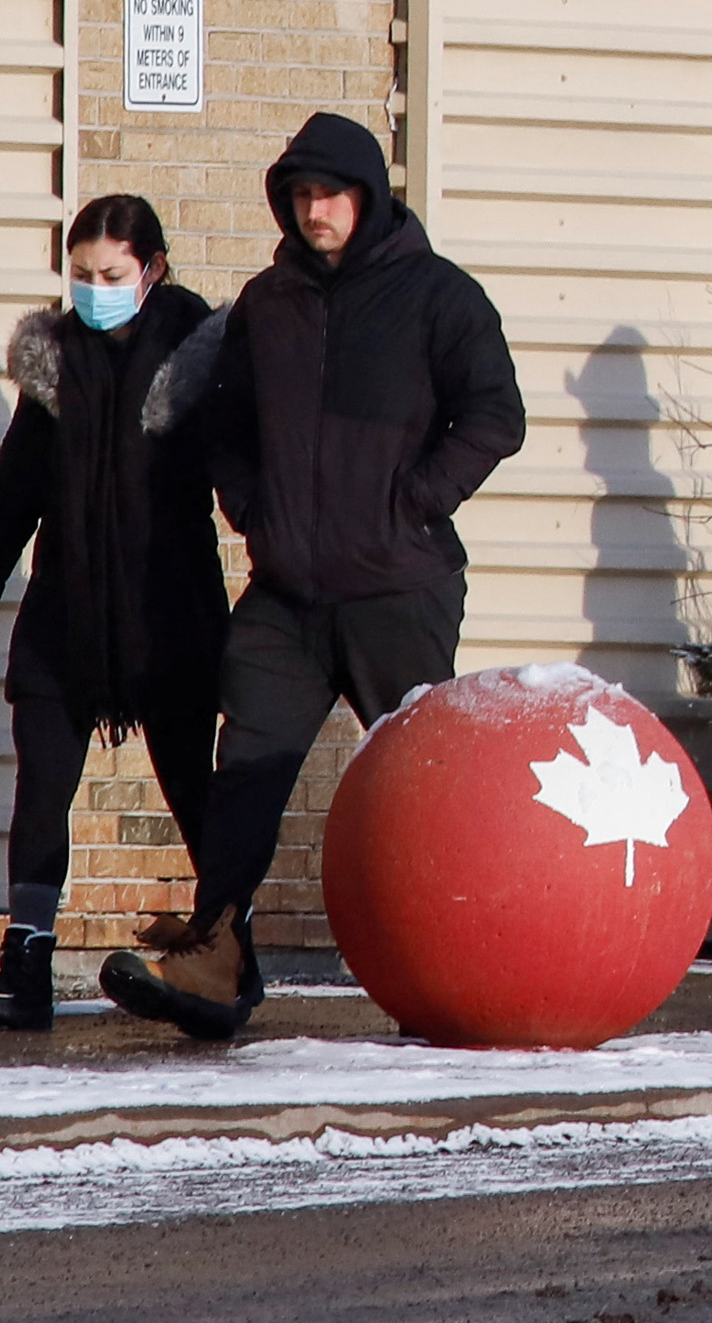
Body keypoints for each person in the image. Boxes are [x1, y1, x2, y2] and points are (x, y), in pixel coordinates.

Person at [109, 115, 521, 1045]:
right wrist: (253, 506)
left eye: (328, 193)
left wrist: (413, 501)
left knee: (425, 785)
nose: (312, 209)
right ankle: (218, 958)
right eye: (297, 194)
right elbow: (223, 421)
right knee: (245, 768)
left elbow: (497, 413)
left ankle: (464, 960)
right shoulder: (268, 302)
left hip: (399, 585)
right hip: (287, 593)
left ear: (367, 197)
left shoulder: (439, 297)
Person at [0, 196, 227, 1033]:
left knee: (197, 790)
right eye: (81, 275)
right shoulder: (57, 361)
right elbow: (14, 499)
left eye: (111, 275)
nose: (94, 290)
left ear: (153, 268)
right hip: (66, 613)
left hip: (169, 613)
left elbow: (245, 468)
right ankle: (25, 963)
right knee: (42, 785)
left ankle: (226, 946)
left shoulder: (197, 354)